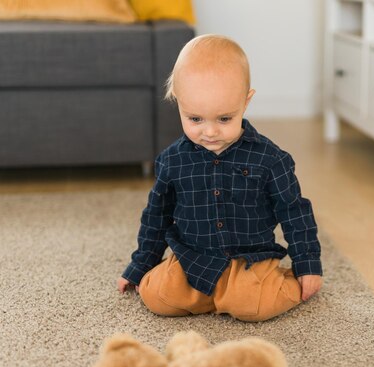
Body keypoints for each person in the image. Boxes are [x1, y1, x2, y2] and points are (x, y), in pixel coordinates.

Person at [117, 34, 323, 322]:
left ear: (246, 101)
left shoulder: (270, 159)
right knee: (157, 297)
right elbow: (156, 217)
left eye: (224, 119)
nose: (210, 132)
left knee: (253, 307)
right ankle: (210, 295)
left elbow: (294, 213)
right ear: (179, 103)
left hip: (248, 260)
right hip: (193, 257)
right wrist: (140, 266)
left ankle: (264, 284)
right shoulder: (171, 161)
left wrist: (307, 264)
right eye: (195, 119)